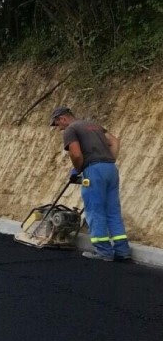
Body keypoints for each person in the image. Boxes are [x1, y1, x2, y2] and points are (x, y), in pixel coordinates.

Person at [50, 106, 131, 261]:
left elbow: (75, 153)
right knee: (112, 210)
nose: (59, 128)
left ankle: (104, 252)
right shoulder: (94, 125)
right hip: (110, 169)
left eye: (57, 124)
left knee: (95, 210)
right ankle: (122, 251)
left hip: (94, 171)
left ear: (63, 118)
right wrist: (109, 160)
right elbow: (114, 141)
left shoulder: (71, 129)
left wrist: (78, 169)